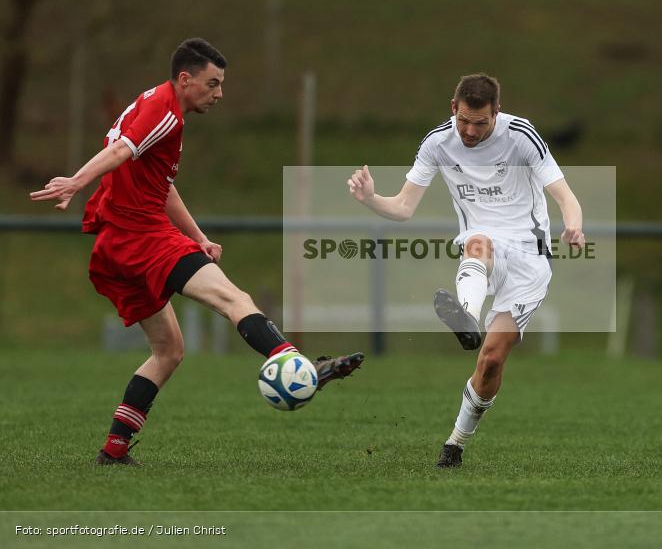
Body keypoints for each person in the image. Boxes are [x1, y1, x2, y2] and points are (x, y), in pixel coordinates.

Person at [31, 38, 363, 466]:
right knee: (235, 299)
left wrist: (198, 236)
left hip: (117, 245)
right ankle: (297, 364)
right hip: (143, 237)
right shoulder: (164, 111)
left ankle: (114, 450)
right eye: (213, 83)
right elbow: (119, 151)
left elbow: (161, 185)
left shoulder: (155, 104)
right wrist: (77, 181)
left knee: (168, 351)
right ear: (185, 79)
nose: (219, 93)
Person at [347, 73, 584, 467]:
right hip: (484, 242)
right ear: (453, 108)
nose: (471, 131)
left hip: (530, 257)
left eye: (481, 123)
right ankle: (467, 318)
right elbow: (403, 207)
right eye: (464, 121)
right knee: (478, 243)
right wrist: (371, 198)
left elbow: (565, 195)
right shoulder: (437, 142)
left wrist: (573, 225)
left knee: (491, 361)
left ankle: (456, 442)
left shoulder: (521, 135)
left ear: (497, 113)